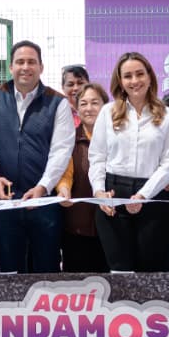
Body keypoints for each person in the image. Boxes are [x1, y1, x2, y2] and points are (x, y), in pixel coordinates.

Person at [0, 40, 74, 273]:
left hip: (43, 201)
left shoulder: (58, 102)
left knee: (47, 270)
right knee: (9, 269)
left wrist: (43, 187)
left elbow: (61, 150)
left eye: (31, 62)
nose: (25, 67)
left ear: (41, 67)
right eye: (20, 62)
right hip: (5, 199)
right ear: (11, 67)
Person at [88, 52, 169, 273]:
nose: (134, 81)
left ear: (150, 77)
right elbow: (97, 157)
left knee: (149, 272)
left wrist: (143, 195)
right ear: (120, 81)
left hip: (152, 195)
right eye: (128, 76)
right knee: (120, 271)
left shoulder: (168, 116)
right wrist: (99, 192)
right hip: (113, 195)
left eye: (140, 74)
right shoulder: (107, 112)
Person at [56, 83, 110, 272]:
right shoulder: (69, 140)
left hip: (111, 226)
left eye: (95, 103)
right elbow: (65, 174)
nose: (89, 108)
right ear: (77, 108)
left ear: (105, 106)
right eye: (84, 103)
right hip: (76, 227)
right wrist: (63, 190)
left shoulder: (116, 138)